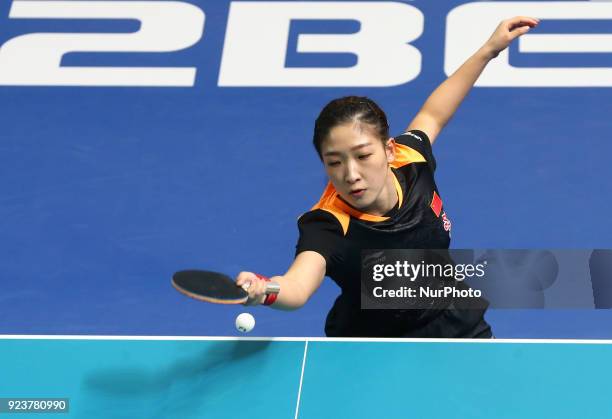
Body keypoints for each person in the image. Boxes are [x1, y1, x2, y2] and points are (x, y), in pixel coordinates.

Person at [236, 16, 540, 337]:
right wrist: (264, 290)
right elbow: (297, 285)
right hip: (373, 344)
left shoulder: (411, 159)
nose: (351, 174)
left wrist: (489, 50)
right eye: (334, 162)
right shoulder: (328, 224)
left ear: (389, 150)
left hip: (453, 322)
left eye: (363, 155)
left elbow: (432, 114)